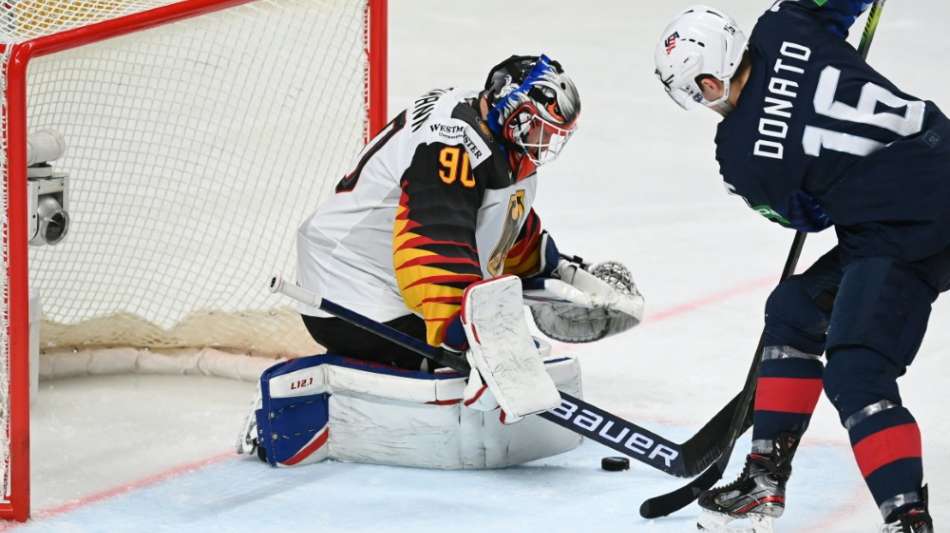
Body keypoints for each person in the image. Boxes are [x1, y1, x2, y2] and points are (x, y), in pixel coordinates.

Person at [654, 2, 948, 532]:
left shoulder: (740, 157)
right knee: (793, 309)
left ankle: (907, 519)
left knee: (859, 372)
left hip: (906, 233)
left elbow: (808, 218)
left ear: (706, 81)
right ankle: (764, 477)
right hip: (936, 166)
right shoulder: (785, 22)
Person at [296, 54, 639, 371]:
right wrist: (462, 331)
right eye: (540, 128)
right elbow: (434, 239)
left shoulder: (496, 136)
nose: (545, 141)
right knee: (457, 364)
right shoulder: (451, 145)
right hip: (347, 289)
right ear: (512, 109)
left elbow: (492, 221)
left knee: (501, 351)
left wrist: (549, 266)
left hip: (384, 278)